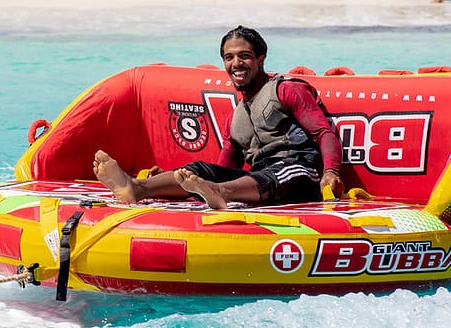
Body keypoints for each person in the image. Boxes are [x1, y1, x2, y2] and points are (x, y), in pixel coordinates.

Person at [92, 26, 344, 209]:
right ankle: (136, 187)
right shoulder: (236, 118)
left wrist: (331, 171)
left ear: (260, 59)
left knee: (279, 172)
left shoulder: (287, 89)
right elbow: (223, 168)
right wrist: (185, 179)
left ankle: (220, 193)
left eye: (244, 56)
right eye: (229, 57)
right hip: (260, 180)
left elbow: (324, 133)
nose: (237, 63)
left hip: (301, 174)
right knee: (200, 170)